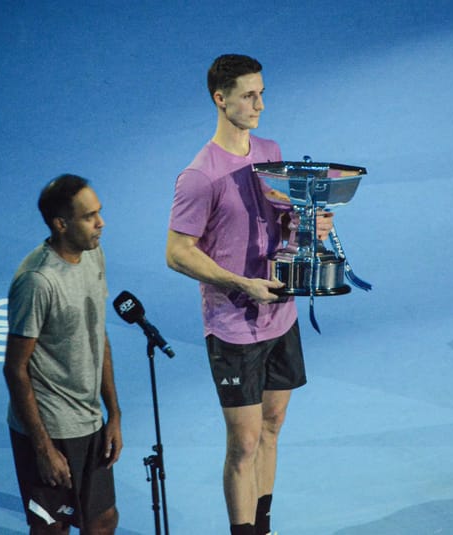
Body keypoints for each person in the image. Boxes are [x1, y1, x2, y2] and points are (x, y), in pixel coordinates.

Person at [165, 54, 334, 535]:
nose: (260, 103)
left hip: (282, 316)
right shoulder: (199, 176)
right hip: (235, 327)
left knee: (272, 427)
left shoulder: (271, 150)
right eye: (248, 95)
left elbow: (284, 222)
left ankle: (263, 526)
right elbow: (177, 253)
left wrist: (311, 225)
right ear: (220, 100)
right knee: (243, 444)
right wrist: (240, 283)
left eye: (262, 92)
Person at [4, 174, 122, 535]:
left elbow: (97, 334)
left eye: (99, 213)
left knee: (103, 520)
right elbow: (15, 368)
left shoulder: (93, 254)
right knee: (51, 529)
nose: (101, 223)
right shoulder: (37, 281)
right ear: (61, 224)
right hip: (50, 427)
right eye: (90, 217)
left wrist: (113, 413)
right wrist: (43, 448)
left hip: (89, 421)